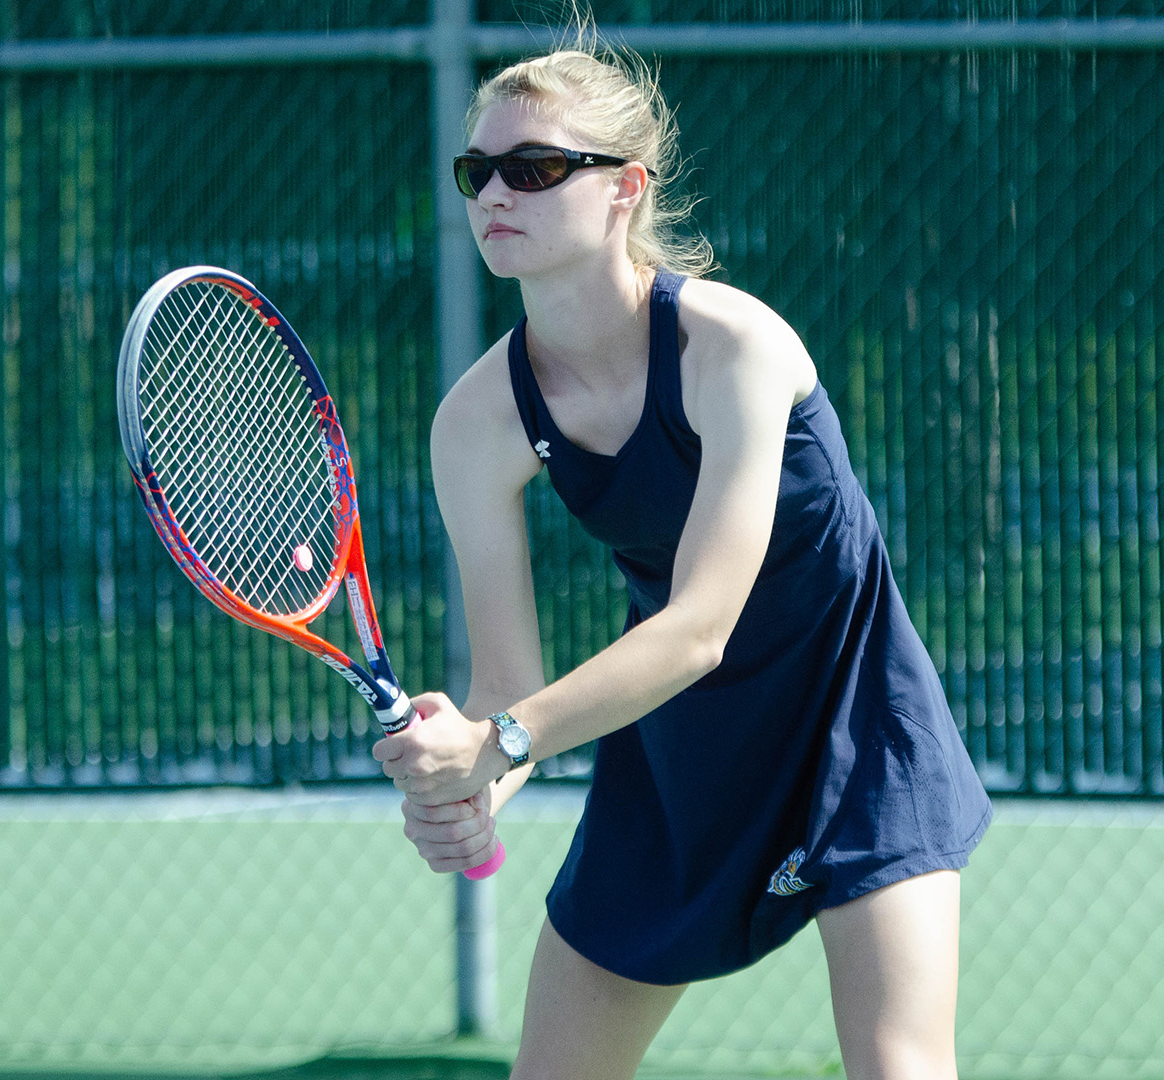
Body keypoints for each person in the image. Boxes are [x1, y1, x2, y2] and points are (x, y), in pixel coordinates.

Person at [371, 39, 994, 1080]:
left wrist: (499, 743)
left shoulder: (734, 348)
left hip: (854, 717)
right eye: (477, 171)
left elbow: (700, 627)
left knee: (899, 1066)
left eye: (535, 167)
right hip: (679, 756)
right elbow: (507, 692)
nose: (496, 194)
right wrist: (471, 782)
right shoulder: (473, 424)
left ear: (626, 189)